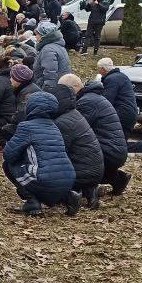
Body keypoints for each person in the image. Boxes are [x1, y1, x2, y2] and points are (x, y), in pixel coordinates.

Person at [3, 92, 77, 216]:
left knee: (8, 165)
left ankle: (31, 201)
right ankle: (68, 197)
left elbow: (9, 154)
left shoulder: (26, 127)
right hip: (68, 178)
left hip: (44, 180)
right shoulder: (55, 127)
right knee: (49, 177)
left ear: (31, 107)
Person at [63, 74, 129, 204]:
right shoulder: (94, 98)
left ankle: (88, 188)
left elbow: (77, 130)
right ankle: (116, 178)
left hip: (109, 151)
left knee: (77, 153)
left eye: (65, 90)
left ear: (75, 87)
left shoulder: (86, 102)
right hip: (115, 150)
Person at [47, 82, 103, 215]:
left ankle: (70, 196)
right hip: (95, 171)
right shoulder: (75, 114)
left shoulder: (62, 122)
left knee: (45, 175)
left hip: (82, 173)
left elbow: (58, 154)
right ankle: (90, 191)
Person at [98, 58, 142, 159]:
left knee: (117, 146)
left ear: (103, 69)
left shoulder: (111, 79)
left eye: (99, 69)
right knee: (120, 144)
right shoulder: (121, 76)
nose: (99, 72)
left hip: (122, 115)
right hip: (129, 114)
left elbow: (107, 100)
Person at [0, 63, 39, 142]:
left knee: (6, 129)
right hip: (33, 125)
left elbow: (21, 116)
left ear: (18, 80)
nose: (10, 80)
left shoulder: (26, 94)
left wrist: (11, 119)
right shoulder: (28, 87)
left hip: (32, 129)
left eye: (12, 77)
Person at [32, 22, 71, 90]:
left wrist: (46, 91)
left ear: (44, 36)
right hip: (61, 86)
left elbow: (50, 75)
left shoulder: (48, 50)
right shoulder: (57, 46)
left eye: (37, 34)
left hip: (51, 89)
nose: (35, 37)